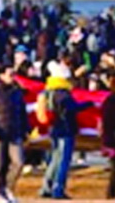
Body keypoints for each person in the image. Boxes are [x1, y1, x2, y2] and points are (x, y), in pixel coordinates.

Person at [0, 61, 29, 203]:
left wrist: (25, 130)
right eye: (10, 74)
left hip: (14, 133)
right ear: (1, 75)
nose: (12, 77)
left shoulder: (16, 92)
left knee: (18, 162)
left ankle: (7, 188)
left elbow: (22, 113)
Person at [39, 67, 79, 200]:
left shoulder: (47, 92)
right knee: (63, 161)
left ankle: (46, 187)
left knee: (55, 159)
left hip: (54, 129)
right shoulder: (63, 94)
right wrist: (88, 104)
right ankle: (58, 188)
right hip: (65, 129)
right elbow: (71, 109)